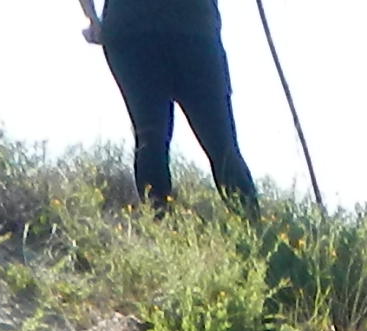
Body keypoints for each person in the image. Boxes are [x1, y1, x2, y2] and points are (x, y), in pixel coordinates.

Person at [78, 0, 261, 211]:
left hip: (149, 31)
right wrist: (92, 17)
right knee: (214, 142)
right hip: (172, 30)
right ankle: (252, 226)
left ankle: (161, 227)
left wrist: (93, 18)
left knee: (154, 137)